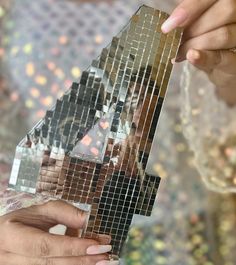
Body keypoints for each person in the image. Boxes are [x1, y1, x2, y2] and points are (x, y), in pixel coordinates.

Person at [0, 0, 236, 264]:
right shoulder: (8, 13)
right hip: (53, 233)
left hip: (189, 224)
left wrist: (228, 78)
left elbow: (223, 118)